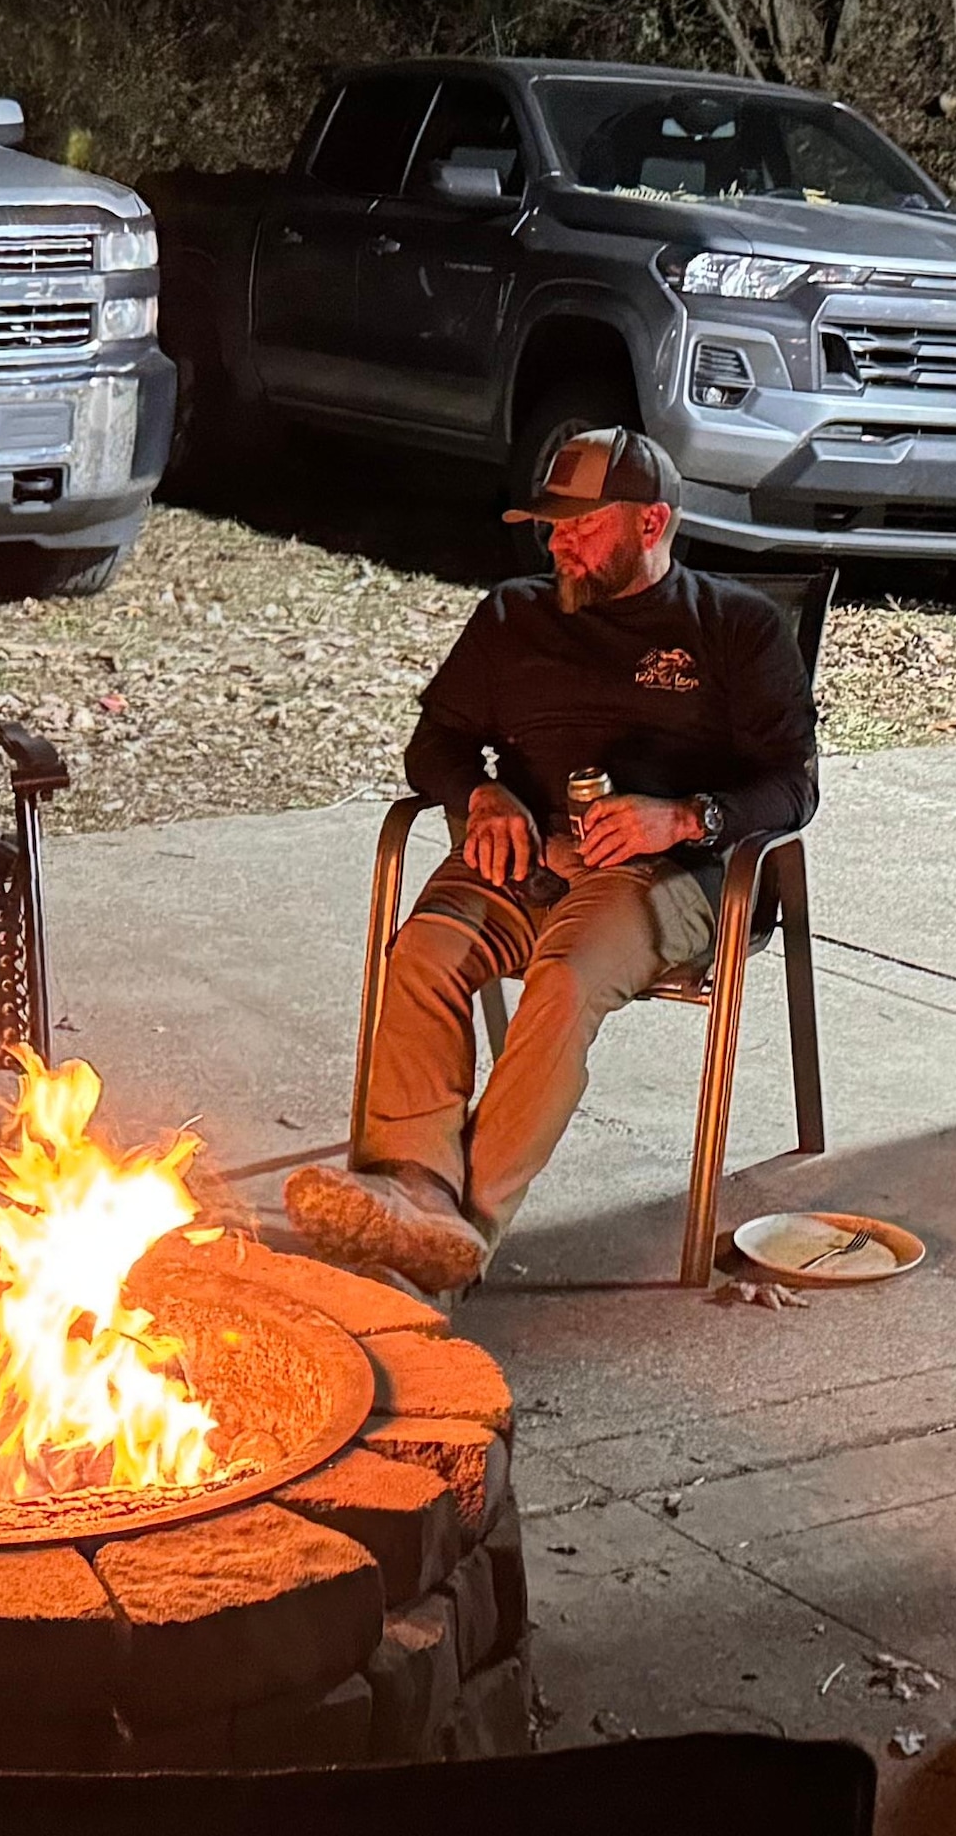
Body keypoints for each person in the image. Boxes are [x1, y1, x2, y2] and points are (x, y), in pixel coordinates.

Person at [286, 426, 819, 1295]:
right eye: (549, 526)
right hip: (524, 858)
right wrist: (478, 797)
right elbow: (437, 744)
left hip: (666, 878)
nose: (557, 543)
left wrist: (683, 817)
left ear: (652, 524)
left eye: (580, 526)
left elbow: (792, 791)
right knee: (420, 956)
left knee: (565, 982)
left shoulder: (735, 629)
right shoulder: (512, 616)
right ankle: (415, 1189)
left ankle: (456, 1240)